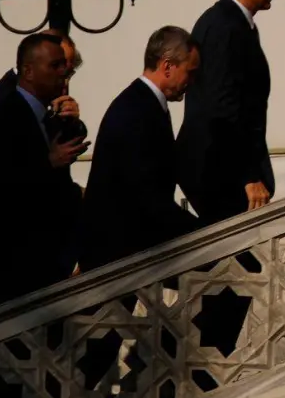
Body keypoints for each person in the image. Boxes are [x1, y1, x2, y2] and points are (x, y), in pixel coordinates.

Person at [0, 32, 87, 306]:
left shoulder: (32, 104)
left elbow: (61, 144)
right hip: (6, 246)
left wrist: (71, 121)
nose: (64, 75)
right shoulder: (2, 106)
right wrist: (48, 163)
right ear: (28, 69)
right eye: (57, 66)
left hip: (30, 246)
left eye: (67, 69)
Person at [79, 26, 203, 271]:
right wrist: (200, 231)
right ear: (167, 66)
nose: (193, 81)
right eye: (190, 72)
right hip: (120, 252)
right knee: (232, 280)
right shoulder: (136, 111)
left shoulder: (144, 104)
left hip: (133, 246)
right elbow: (146, 195)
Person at [176, 0, 279, 224]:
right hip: (219, 170)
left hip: (225, 167)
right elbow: (221, 107)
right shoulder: (223, 26)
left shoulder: (234, 24)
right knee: (245, 261)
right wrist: (248, 176)